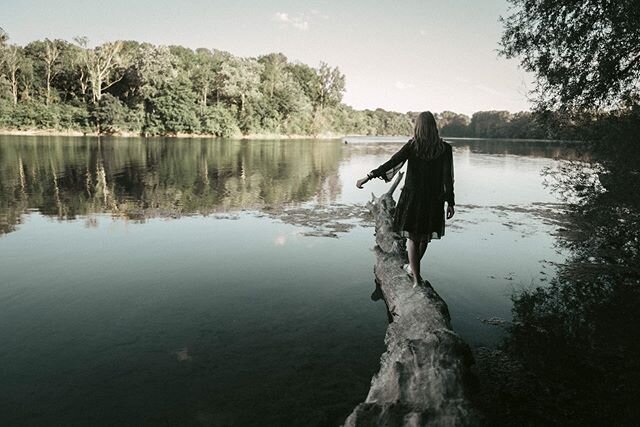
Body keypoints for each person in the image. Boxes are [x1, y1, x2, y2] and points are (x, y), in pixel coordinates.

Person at [355, 111, 455, 287]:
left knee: (413, 239)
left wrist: (368, 176)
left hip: (413, 199)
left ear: (418, 127)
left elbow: (392, 162)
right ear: (434, 127)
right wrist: (450, 202)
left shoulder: (412, 146)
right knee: (425, 238)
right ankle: (413, 270)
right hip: (434, 200)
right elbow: (448, 178)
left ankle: (415, 277)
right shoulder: (445, 149)